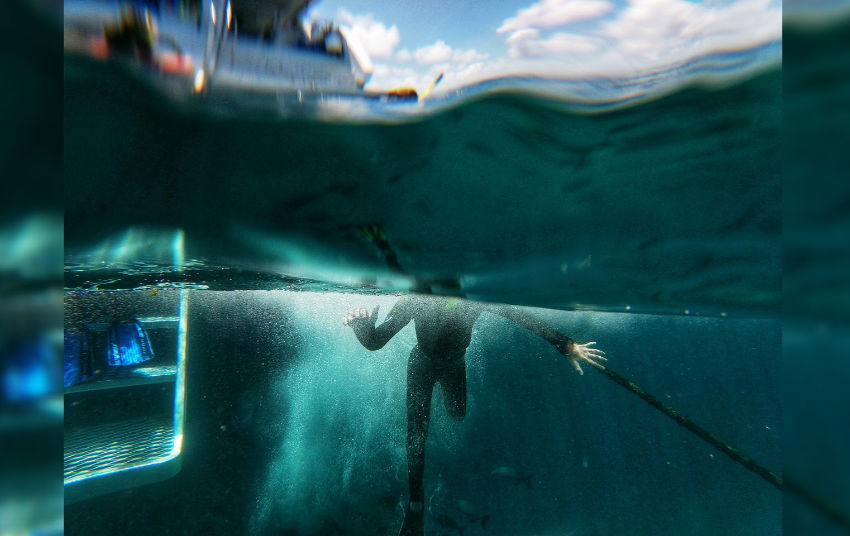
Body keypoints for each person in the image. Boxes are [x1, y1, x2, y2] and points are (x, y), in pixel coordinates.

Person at [343, 294, 606, 536]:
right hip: (421, 367)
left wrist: (566, 344)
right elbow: (375, 341)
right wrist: (361, 325)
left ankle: (417, 500)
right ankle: (415, 507)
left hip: (454, 366)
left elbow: (519, 316)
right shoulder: (416, 298)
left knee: (457, 413)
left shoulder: (473, 298)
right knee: (417, 435)